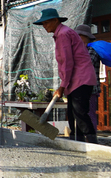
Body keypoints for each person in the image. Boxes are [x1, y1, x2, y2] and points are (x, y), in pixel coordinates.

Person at [34, 9, 98, 143]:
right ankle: (77, 142)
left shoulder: (63, 34)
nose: (45, 26)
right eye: (43, 24)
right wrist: (64, 84)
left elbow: (67, 61)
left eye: (46, 23)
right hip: (76, 79)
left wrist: (62, 86)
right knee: (73, 114)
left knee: (80, 113)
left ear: (56, 21)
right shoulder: (62, 34)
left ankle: (92, 143)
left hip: (81, 78)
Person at [75, 24, 101, 132]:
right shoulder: (80, 51)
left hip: (91, 90)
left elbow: (83, 65)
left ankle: (91, 138)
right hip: (80, 89)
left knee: (89, 114)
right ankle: (81, 138)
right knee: (80, 114)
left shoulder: (91, 51)